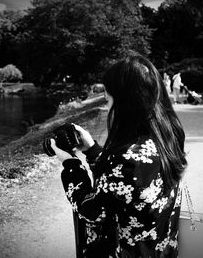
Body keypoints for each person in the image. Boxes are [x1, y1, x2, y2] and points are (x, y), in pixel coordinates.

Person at [50, 53, 187, 258]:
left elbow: (92, 211)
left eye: (108, 97)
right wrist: (93, 150)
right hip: (160, 250)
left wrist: (71, 165)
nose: (107, 107)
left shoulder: (125, 161)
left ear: (125, 103)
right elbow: (123, 191)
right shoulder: (168, 139)